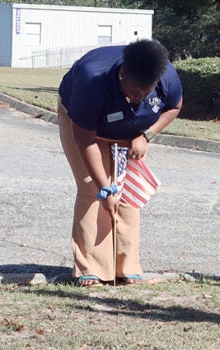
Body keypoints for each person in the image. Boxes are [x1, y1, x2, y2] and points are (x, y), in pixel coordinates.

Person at [57, 39, 182, 287]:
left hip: (134, 133)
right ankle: (89, 268)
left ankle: (127, 266)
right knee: (92, 190)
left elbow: (174, 106)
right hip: (87, 130)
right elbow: (86, 140)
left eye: (146, 94)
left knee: (127, 194)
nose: (139, 98)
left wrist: (147, 136)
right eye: (135, 92)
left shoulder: (166, 75)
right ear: (122, 73)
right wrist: (105, 187)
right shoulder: (91, 80)